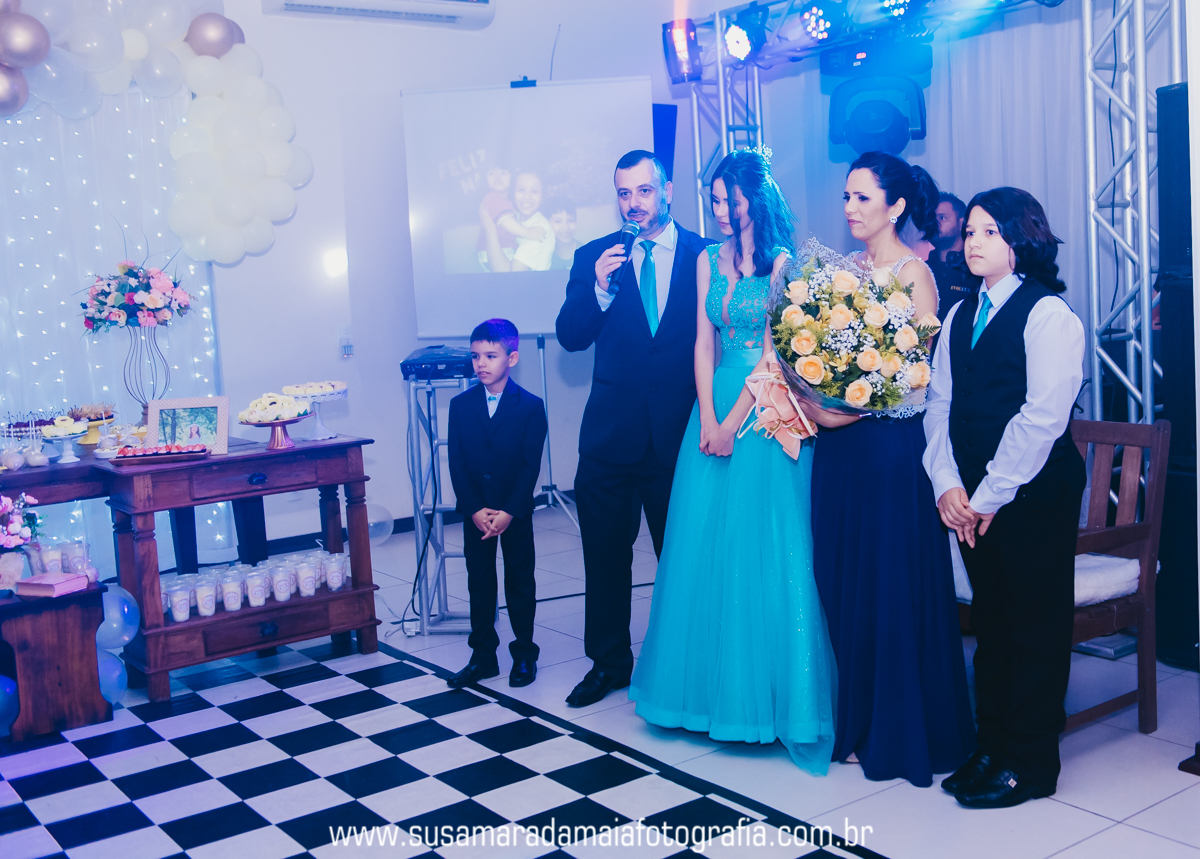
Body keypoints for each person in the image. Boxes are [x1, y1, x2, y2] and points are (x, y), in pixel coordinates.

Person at [628, 149, 837, 772]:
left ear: (754, 199)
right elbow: (703, 342)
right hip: (714, 402)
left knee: (763, 548)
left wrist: (733, 423)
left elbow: (774, 356)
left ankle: (770, 704)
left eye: (729, 200)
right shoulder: (706, 260)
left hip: (765, 410)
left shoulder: (782, 263)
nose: (720, 210)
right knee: (703, 549)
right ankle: (700, 696)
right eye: (714, 200)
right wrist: (707, 417)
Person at [807, 151, 976, 787]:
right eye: (846, 197)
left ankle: (899, 731)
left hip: (888, 454)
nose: (850, 208)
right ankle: (856, 720)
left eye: (862, 197)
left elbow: (915, 381)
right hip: (839, 455)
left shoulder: (915, 275)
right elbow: (822, 356)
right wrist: (810, 393)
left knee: (888, 589)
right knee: (841, 579)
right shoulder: (843, 271)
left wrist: (843, 411)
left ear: (896, 206)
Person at [924, 188, 1085, 809]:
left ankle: (1031, 763)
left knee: (1033, 627)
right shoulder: (960, 314)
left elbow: (1042, 418)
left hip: (1032, 495)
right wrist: (947, 484)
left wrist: (987, 495)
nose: (973, 242)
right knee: (992, 624)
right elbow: (939, 405)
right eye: (969, 231)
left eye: (989, 231)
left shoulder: (1049, 314)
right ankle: (992, 747)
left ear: (1021, 239)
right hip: (973, 498)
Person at [555, 150, 712, 708]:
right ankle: (608, 663)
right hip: (609, 439)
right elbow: (571, 335)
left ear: (666, 191)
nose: (634, 204)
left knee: (684, 557)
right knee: (603, 558)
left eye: (644, 191)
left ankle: (688, 663)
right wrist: (599, 288)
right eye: (624, 193)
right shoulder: (595, 256)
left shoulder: (705, 255)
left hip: (680, 437)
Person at [446, 319, 548, 689]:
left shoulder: (531, 406)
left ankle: (524, 654)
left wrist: (509, 511)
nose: (481, 364)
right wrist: (474, 508)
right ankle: (483, 656)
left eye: (490, 356)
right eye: (475, 356)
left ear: (512, 358)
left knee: (520, 580)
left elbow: (530, 465)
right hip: (476, 512)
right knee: (480, 582)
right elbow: (456, 461)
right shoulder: (460, 405)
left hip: (513, 511)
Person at [481, 171, 555, 272]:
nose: (527, 197)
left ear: (543, 197)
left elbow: (511, 277)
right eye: (521, 190)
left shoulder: (540, 229)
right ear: (513, 192)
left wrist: (490, 228)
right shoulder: (515, 216)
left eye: (534, 191)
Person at [926, 192, 974, 320]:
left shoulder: (974, 269)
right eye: (931, 219)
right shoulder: (922, 268)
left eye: (942, 218)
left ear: (961, 223)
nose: (934, 224)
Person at [547, 198, 579, 271]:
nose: (565, 227)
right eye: (558, 221)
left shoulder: (586, 252)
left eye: (570, 220)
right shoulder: (543, 253)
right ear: (547, 223)